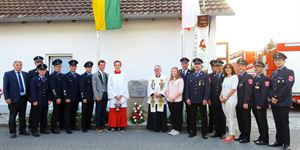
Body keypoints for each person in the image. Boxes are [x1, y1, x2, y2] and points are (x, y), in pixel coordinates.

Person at [269, 52, 294, 150]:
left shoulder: (289, 72)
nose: (277, 62)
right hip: (275, 103)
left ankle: (286, 143)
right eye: (276, 60)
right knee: (277, 122)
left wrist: (276, 98)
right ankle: (278, 141)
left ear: (284, 61)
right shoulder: (274, 73)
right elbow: (271, 87)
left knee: (284, 123)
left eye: (280, 60)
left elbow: (287, 87)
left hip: (283, 102)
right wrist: (271, 98)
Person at [3, 60, 30, 138]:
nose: (19, 66)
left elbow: (27, 86)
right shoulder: (8, 74)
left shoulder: (25, 74)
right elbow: (5, 87)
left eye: (20, 65)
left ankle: (22, 130)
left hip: (23, 98)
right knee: (13, 116)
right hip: (13, 99)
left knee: (22, 115)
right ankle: (13, 131)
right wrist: (7, 97)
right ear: (14, 66)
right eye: (17, 65)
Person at [185, 58, 210, 139]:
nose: (197, 66)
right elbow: (187, 88)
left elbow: (207, 88)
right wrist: (187, 98)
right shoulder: (190, 76)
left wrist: (205, 99)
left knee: (204, 117)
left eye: (198, 64)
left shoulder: (205, 76)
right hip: (192, 100)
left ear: (201, 66)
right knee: (192, 116)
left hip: (202, 100)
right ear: (193, 66)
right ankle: (193, 131)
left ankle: (204, 133)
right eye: (195, 64)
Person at [28, 56, 49, 131]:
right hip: (36, 100)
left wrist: (49, 99)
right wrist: (33, 100)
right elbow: (32, 90)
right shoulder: (33, 78)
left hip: (44, 100)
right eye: (41, 70)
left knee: (44, 115)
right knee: (35, 115)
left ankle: (43, 129)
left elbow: (48, 89)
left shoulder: (46, 78)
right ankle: (33, 129)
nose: (42, 71)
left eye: (44, 70)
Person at [107, 60, 129, 132]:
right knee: (113, 111)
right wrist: (114, 95)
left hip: (122, 96)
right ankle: (113, 126)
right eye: (116, 65)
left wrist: (121, 95)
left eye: (118, 65)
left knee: (121, 111)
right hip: (114, 97)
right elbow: (109, 86)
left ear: (121, 66)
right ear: (114, 66)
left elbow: (125, 85)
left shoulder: (124, 74)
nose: (117, 66)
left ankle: (121, 126)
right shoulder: (111, 75)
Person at [236, 58, 254, 143]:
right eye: (239, 65)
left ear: (246, 67)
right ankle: (242, 134)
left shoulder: (248, 77)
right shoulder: (237, 76)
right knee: (240, 119)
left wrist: (246, 102)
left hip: (244, 103)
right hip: (238, 103)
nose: (240, 67)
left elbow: (248, 91)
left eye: (242, 66)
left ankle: (246, 137)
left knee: (246, 120)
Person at [252, 60, 270, 145]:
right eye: (255, 67)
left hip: (261, 105)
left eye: (258, 67)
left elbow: (264, 93)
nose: (256, 68)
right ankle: (261, 136)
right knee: (259, 122)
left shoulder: (265, 78)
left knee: (262, 122)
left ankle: (265, 139)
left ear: (262, 68)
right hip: (255, 105)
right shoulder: (255, 78)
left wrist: (260, 104)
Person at [220, 63, 239, 143]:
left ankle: (232, 135)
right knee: (227, 117)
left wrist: (225, 97)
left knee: (230, 117)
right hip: (224, 100)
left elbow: (233, 89)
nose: (227, 69)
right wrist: (220, 97)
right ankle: (232, 133)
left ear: (232, 69)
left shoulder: (234, 77)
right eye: (226, 68)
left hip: (231, 99)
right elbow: (223, 89)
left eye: (229, 68)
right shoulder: (225, 78)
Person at [147, 65, 168, 132]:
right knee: (154, 112)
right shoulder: (151, 78)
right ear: (154, 70)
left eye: (158, 69)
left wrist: (161, 93)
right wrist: (153, 93)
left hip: (161, 98)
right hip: (153, 98)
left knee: (161, 112)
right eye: (155, 69)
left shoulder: (164, 78)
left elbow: (166, 87)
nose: (157, 71)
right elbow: (149, 87)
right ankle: (154, 127)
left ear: (160, 70)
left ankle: (162, 127)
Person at [209, 59, 226, 139]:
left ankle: (222, 132)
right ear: (213, 67)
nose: (217, 68)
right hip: (213, 99)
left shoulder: (225, 75)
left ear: (222, 67)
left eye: (219, 66)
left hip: (223, 99)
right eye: (216, 66)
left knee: (222, 115)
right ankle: (216, 131)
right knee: (215, 115)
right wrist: (208, 98)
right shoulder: (210, 76)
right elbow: (208, 88)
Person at [63, 59, 81, 134]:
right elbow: (64, 88)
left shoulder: (78, 76)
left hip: (76, 98)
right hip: (69, 99)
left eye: (75, 66)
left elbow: (79, 88)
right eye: (72, 66)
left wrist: (80, 98)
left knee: (74, 113)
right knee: (67, 113)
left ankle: (73, 126)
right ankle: (68, 128)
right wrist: (66, 97)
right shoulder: (66, 76)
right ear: (69, 67)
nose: (73, 67)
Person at [165, 67, 184, 136]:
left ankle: (177, 129)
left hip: (177, 100)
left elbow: (180, 91)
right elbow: (166, 89)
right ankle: (173, 128)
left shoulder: (180, 80)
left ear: (177, 72)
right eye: (172, 71)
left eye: (175, 71)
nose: (173, 72)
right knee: (172, 115)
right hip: (169, 100)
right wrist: (169, 97)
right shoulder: (169, 80)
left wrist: (173, 98)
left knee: (177, 115)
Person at [92, 60, 109, 132]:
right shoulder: (95, 75)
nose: (102, 66)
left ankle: (102, 126)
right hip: (98, 95)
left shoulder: (106, 74)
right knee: (98, 111)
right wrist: (96, 96)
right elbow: (94, 86)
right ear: (98, 66)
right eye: (101, 65)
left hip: (105, 95)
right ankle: (97, 127)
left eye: (104, 65)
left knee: (103, 111)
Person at [49, 59, 64, 134]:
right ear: (54, 67)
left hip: (62, 98)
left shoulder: (62, 75)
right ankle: (53, 128)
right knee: (56, 112)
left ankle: (61, 126)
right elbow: (53, 88)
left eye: (60, 66)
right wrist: (57, 97)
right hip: (56, 98)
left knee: (61, 112)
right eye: (57, 66)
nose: (59, 68)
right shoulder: (52, 76)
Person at [179, 57, 193, 134]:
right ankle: (178, 127)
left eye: (185, 63)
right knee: (178, 111)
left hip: (188, 95)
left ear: (187, 64)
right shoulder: (178, 72)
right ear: (181, 64)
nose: (184, 65)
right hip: (179, 95)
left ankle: (190, 128)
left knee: (189, 112)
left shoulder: (191, 72)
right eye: (183, 63)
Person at [79, 61, 94, 132]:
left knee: (90, 112)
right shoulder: (82, 76)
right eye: (88, 67)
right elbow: (81, 88)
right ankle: (84, 126)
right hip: (85, 98)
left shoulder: (93, 76)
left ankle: (88, 125)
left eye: (90, 67)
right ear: (85, 68)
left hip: (91, 97)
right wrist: (83, 97)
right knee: (84, 112)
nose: (89, 69)